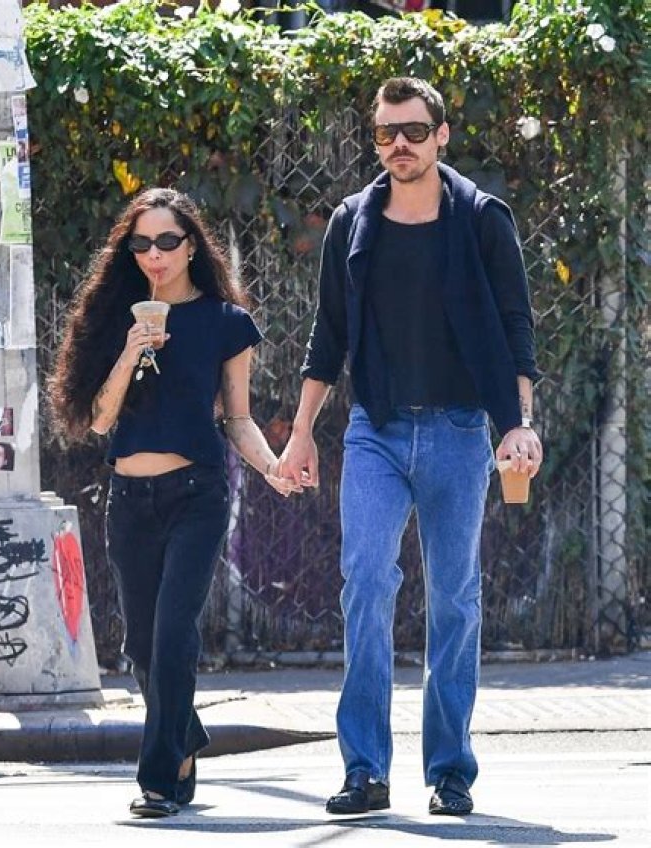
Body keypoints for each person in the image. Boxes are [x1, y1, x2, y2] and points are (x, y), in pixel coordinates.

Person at [279, 77, 543, 816]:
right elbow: (329, 333)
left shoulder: (483, 219)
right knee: (365, 580)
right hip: (377, 431)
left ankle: (450, 769)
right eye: (386, 132)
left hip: (460, 430)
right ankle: (365, 769)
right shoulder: (353, 222)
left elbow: (516, 327)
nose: (400, 144)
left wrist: (518, 421)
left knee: (454, 597)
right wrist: (301, 433)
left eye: (415, 131)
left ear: (442, 135)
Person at [48, 187, 300, 818]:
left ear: (191, 246)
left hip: (196, 495)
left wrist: (272, 467)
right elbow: (100, 420)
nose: (154, 254)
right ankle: (184, 737)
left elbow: (237, 418)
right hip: (130, 498)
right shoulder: (116, 319)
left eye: (166, 241)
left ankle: (159, 779)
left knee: (171, 637)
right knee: (140, 644)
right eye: (141, 244)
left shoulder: (225, 322)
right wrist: (131, 349)